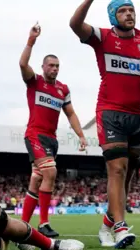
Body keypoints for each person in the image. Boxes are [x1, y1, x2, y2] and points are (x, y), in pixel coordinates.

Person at [69, 0, 140, 248]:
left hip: (139, 116)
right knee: (116, 170)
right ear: (112, 16)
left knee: (126, 177)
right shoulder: (102, 37)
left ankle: (108, 220)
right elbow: (74, 24)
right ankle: (120, 226)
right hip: (110, 113)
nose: (129, 14)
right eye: (122, 11)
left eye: (131, 10)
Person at [19, 23, 87, 239]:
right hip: (35, 135)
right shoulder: (35, 82)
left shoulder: (62, 89)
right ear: (43, 67)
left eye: (57, 66)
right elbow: (22, 63)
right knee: (50, 172)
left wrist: (81, 134)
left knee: (37, 180)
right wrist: (31, 40)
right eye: (51, 65)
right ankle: (44, 223)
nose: (54, 69)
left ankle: (21, 227)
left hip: (51, 139)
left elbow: (71, 113)